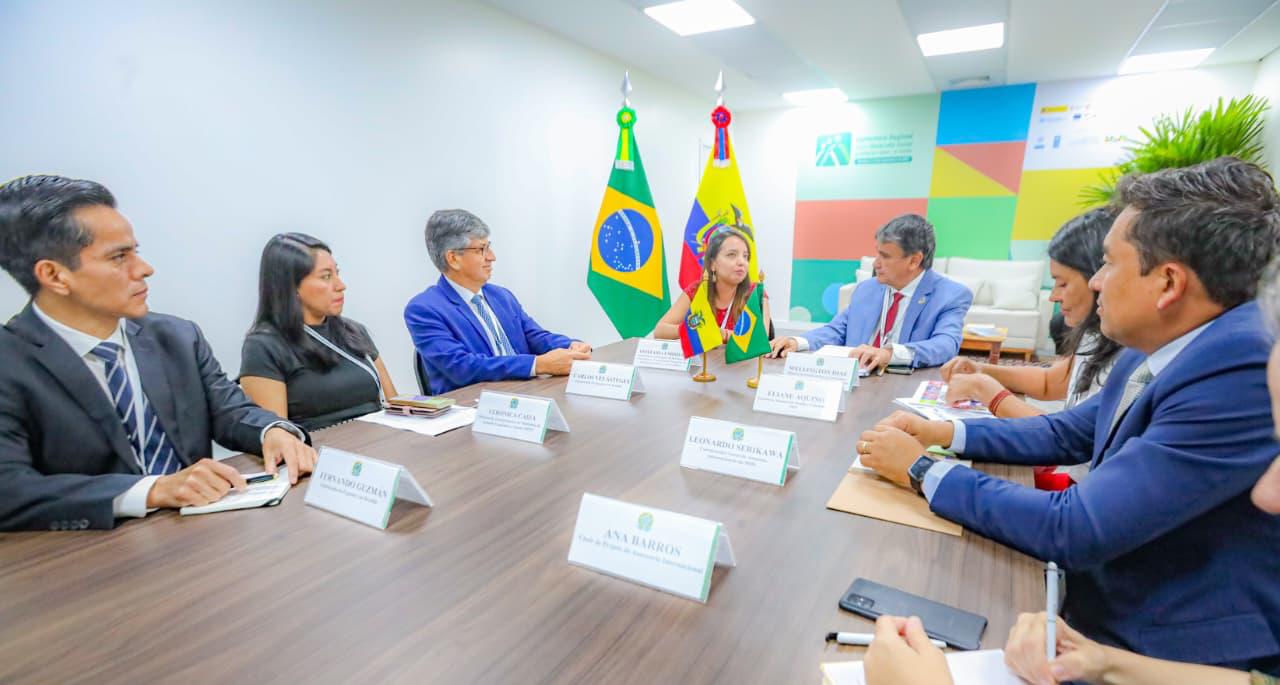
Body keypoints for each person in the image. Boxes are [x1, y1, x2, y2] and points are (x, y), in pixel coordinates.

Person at [858, 157, 1280, 671]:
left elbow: (1077, 526)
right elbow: (1067, 432)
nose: (1096, 281)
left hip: (1155, 644)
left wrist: (920, 469)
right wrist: (942, 430)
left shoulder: (1239, 365)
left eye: (1109, 263)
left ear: (1169, 283)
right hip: (1100, 606)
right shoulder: (1167, 344)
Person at [0, 175, 316, 532]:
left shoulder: (177, 336)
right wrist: (152, 491)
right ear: (54, 275)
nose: (144, 269)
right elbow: (9, 489)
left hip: (200, 537)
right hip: (85, 553)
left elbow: (230, 411)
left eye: (135, 251)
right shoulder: (10, 361)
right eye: (120, 257)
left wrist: (271, 431)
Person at [941, 208, 1121, 488]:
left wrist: (987, 391)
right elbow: (1050, 382)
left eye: (1062, 283)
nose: (1053, 296)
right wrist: (982, 369)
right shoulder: (1094, 335)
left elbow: (1063, 437)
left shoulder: (1128, 356)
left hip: (1080, 488)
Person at [405, 209, 591, 395]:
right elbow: (462, 367)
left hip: (526, 394)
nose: (492, 257)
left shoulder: (501, 296)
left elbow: (534, 336)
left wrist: (571, 346)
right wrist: (538, 364)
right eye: (481, 250)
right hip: (475, 404)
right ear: (453, 259)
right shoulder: (424, 310)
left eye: (489, 247)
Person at [767, 214, 972, 372]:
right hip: (856, 383)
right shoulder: (867, 289)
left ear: (914, 261)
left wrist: (890, 354)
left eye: (885, 256)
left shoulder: (950, 296)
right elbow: (837, 330)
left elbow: (945, 345)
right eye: (877, 253)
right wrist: (797, 342)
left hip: (901, 387)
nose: (876, 264)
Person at [239, 233, 398, 432]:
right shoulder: (263, 346)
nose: (341, 285)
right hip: (319, 449)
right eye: (326, 277)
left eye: (337, 273)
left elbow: (396, 406)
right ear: (291, 286)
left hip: (381, 441)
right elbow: (278, 437)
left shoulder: (354, 331)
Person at [652, 224, 772, 342]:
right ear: (712, 263)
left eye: (745, 256)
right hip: (705, 356)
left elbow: (761, 338)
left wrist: (723, 335)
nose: (741, 262)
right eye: (732, 255)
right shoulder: (697, 291)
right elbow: (660, 331)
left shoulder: (756, 293)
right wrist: (692, 330)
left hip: (739, 356)